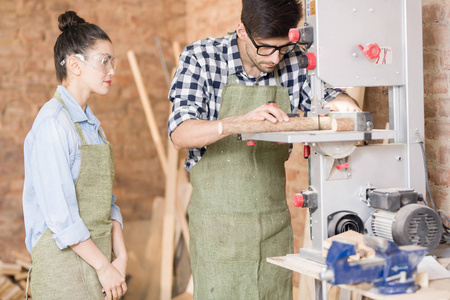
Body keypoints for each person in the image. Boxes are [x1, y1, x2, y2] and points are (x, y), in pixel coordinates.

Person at [168, 0, 360, 299]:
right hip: (219, 228)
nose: (274, 59)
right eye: (265, 48)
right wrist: (238, 123)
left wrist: (343, 103)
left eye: (281, 48)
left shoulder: (293, 59)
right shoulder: (202, 57)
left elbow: (329, 99)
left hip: (272, 225)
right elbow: (181, 133)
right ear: (242, 31)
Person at [22, 11, 127, 300]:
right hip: (64, 274)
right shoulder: (53, 124)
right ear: (75, 65)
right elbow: (61, 217)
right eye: (104, 60)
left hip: (100, 267)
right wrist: (105, 265)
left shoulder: (93, 127)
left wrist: (121, 257)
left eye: (112, 61)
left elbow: (109, 202)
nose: (112, 70)